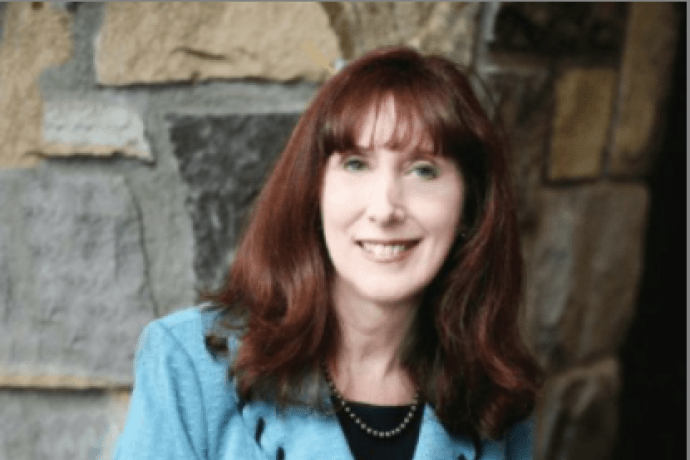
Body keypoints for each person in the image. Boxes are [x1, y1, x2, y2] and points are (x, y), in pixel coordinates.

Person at [114, 46, 544, 460]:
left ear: (470, 206)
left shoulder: (492, 398)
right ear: (314, 192)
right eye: (356, 164)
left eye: (422, 170)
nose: (384, 209)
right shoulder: (190, 364)